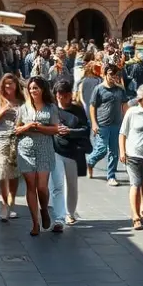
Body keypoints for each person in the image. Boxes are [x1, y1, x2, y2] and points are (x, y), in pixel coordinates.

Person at [15, 76, 64, 236]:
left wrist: (41, 128)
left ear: (42, 89)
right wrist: (28, 126)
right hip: (25, 148)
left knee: (42, 187)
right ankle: (35, 223)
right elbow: (16, 130)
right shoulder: (23, 108)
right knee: (30, 186)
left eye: (35, 88)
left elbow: (56, 129)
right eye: (30, 88)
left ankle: (44, 209)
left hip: (44, 147)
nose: (32, 91)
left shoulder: (51, 108)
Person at [51, 79, 91, 226]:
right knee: (58, 184)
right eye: (58, 95)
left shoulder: (78, 110)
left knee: (72, 184)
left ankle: (70, 213)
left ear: (69, 95)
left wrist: (70, 131)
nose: (61, 98)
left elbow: (85, 130)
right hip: (56, 150)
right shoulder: (52, 109)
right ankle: (59, 214)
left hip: (73, 152)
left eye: (64, 95)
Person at [120, 84, 143, 231]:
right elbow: (123, 133)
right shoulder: (132, 113)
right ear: (140, 99)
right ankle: (135, 216)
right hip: (133, 154)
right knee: (135, 183)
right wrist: (122, 152)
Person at [0, 73, 23, 221]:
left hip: (18, 139)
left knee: (14, 173)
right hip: (1, 138)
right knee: (1, 170)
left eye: (11, 83)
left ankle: (11, 202)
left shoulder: (22, 101)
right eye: (6, 84)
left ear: (16, 86)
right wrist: (2, 111)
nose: (8, 86)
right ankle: (3, 204)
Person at [86, 63, 129, 185]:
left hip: (116, 124)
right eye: (111, 74)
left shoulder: (120, 89)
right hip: (102, 124)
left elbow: (125, 105)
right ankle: (90, 161)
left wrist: (127, 121)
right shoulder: (99, 89)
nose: (113, 77)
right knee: (102, 149)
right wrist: (94, 123)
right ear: (105, 74)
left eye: (115, 75)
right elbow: (92, 106)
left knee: (114, 151)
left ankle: (111, 176)